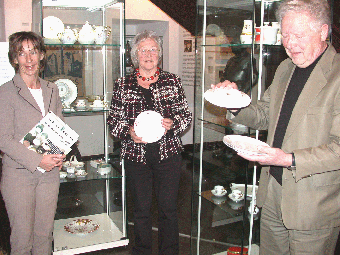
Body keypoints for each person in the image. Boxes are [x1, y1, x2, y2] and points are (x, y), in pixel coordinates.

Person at [213, 0, 340, 254]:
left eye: (299, 35)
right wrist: (234, 103)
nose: (290, 44)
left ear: (323, 32)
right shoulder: (285, 68)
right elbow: (262, 114)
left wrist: (288, 159)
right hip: (272, 194)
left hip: (312, 206)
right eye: (285, 35)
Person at [107, 30, 192, 254]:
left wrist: (173, 123)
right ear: (135, 55)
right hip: (136, 156)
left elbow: (186, 116)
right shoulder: (123, 84)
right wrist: (128, 132)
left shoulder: (172, 81)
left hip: (168, 155)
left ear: (159, 54)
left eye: (153, 49)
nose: (148, 54)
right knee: (141, 210)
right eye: (143, 50)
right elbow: (113, 120)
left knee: (168, 210)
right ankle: (142, 251)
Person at [0, 31, 65, 254]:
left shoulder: (52, 89)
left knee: (44, 235)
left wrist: (60, 152)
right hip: (19, 176)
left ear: (42, 56)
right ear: (14, 59)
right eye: (22, 53)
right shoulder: (5, 92)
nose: (29, 60)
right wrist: (38, 160)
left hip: (49, 176)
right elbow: (3, 139)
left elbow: (59, 127)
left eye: (33, 52)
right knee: (22, 239)